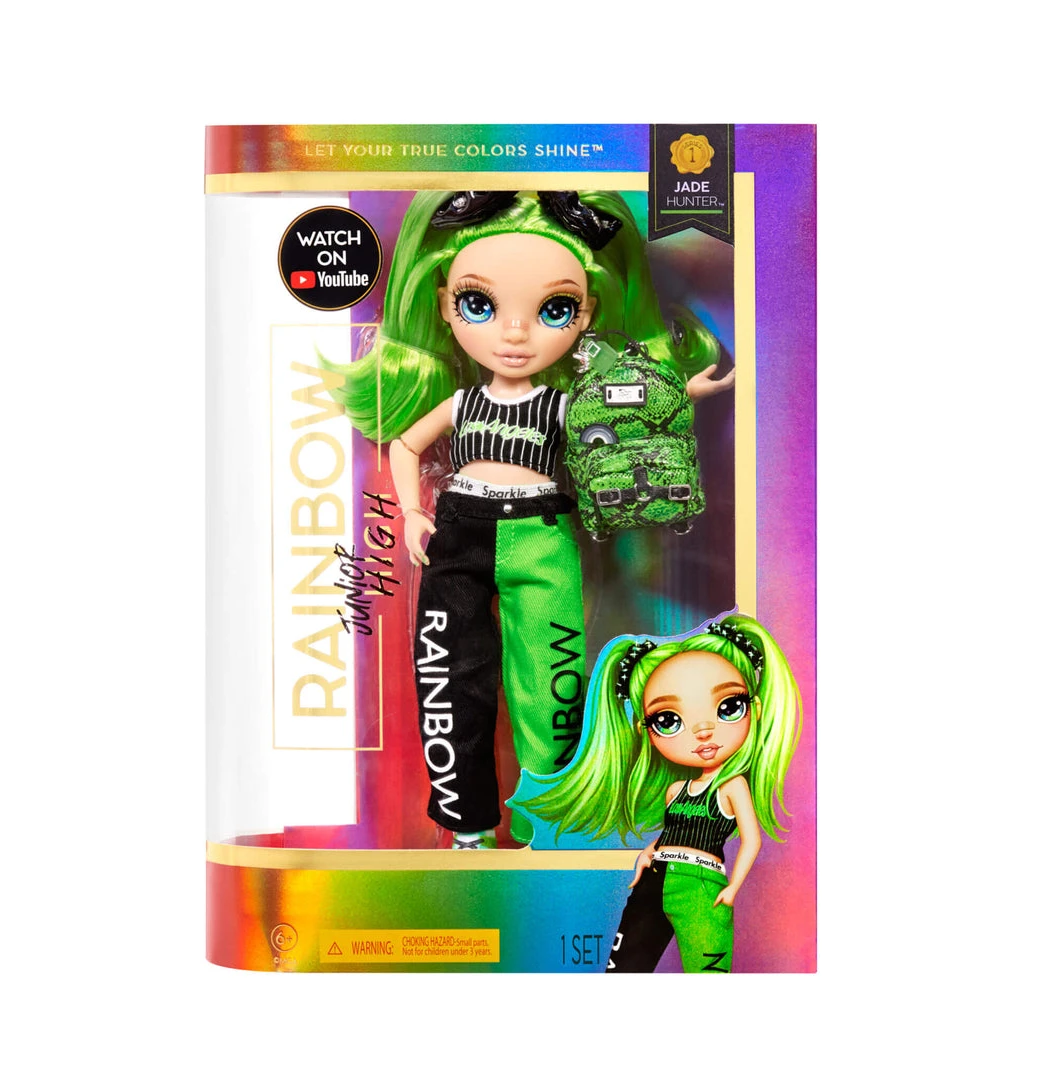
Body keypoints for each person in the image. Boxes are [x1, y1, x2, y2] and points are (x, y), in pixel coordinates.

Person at [329, 189, 731, 848]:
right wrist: (411, 513)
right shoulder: (461, 403)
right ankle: (467, 826)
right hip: (457, 533)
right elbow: (405, 445)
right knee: (450, 681)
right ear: (444, 305)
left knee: (552, 684)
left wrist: (683, 390)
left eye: (554, 309)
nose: (514, 333)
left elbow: (626, 409)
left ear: (586, 313)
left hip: (544, 535)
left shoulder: (563, 405)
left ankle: (547, 818)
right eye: (479, 304)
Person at [520, 615, 800, 970]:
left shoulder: (732, 786)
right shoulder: (675, 790)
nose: (703, 730)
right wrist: (646, 854)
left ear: (755, 710)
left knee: (709, 972)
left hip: (701, 885)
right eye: (668, 720)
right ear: (645, 731)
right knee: (623, 968)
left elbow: (752, 840)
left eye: (729, 707)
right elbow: (671, 833)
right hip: (654, 879)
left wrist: (733, 887)